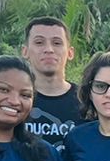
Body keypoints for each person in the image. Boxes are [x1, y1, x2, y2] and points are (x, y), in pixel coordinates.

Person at [20, 17, 81, 146]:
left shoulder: (86, 100)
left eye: (57, 43)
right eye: (39, 42)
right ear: (25, 51)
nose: (49, 49)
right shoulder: (14, 100)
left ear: (70, 53)